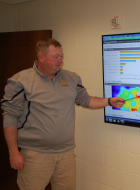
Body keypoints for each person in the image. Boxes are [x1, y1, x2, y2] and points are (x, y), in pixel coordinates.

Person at [1, 38, 125, 190]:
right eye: (56, 56)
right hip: (35, 155)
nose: (60, 60)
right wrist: (13, 152)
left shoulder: (71, 78)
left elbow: (84, 99)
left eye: (62, 56)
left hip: (65, 153)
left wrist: (109, 101)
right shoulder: (20, 81)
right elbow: (10, 116)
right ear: (41, 57)